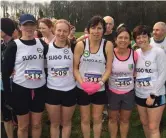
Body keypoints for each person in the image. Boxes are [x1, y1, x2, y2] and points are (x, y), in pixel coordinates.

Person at [2, 14, 48, 138]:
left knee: (37, 124)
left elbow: (49, 63)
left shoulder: (42, 44)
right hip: (21, 89)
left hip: (39, 88)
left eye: (31, 24)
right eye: (25, 25)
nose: (29, 28)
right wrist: (8, 96)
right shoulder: (14, 46)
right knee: (23, 126)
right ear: (20, 27)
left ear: (35, 26)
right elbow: (5, 73)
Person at [74, 15, 113, 138]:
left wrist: (100, 84)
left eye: (99, 28)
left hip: (99, 89)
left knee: (97, 118)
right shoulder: (81, 45)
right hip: (82, 88)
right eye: (93, 28)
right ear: (88, 29)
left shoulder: (108, 45)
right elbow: (75, 68)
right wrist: (83, 83)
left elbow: (108, 69)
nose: (96, 31)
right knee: (85, 118)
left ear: (104, 30)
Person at [133, 25, 166, 138]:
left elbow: (163, 74)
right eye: (138, 38)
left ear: (149, 37)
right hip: (139, 94)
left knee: (153, 127)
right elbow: (134, 71)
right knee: (145, 124)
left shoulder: (158, 52)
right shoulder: (136, 53)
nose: (141, 39)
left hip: (155, 94)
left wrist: (153, 95)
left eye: (144, 36)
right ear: (135, 40)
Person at [45, 19, 77, 138]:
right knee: (54, 124)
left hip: (69, 90)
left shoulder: (73, 47)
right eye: (59, 30)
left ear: (69, 32)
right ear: (54, 30)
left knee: (66, 123)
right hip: (52, 90)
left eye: (65, 31)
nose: (61, 34)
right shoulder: (46, 48)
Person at [108, 26, 137, 138]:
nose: (123, 40)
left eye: (126, 38)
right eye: (120, 37)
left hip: (128, 93)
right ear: (115, 39)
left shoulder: (134, 54)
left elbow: (137, 71)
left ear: (130, 40)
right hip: (112, 92)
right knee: (112, 119)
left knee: (125, 120)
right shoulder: (109, 53)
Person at [1, 17, 16, 138]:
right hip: (3, 86)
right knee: (6, 116)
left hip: (15, 86)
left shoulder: (16, 46)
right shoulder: (2, 45)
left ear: (4, 30)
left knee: (17, 115)